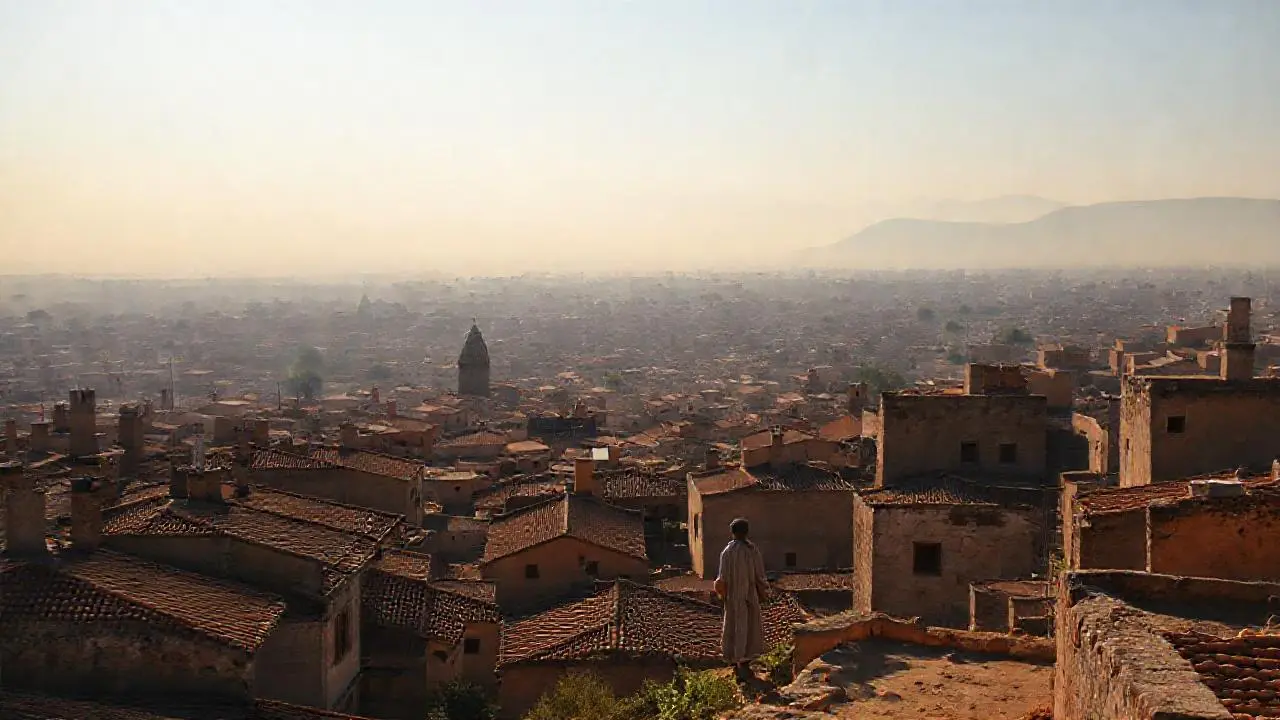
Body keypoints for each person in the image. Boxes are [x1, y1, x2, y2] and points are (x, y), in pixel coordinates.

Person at [714, 517, 770, 677]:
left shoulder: (726, 552)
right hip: (749, 596)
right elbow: (760, 575)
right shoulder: (752, 550)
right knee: (748, 626)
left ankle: (735, 659)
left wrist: (722, 595)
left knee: (734, 626)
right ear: (746, 532)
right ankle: (743, 660)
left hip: (732, 598)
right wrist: (765, 592)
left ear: (733, 533)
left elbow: (721, 579)